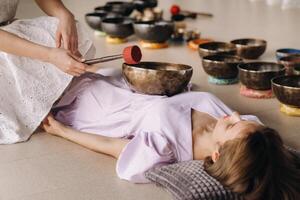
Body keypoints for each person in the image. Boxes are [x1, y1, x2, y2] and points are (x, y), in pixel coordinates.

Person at [42, 73, 300, 200]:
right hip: (132, 83)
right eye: (239, 120)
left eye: (233, 125)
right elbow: (265, 154)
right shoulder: (247, 133)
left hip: (96, 104)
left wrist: (63, 132)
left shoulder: (167, 146)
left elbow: (114, 146)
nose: (234, 114)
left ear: (217, 154)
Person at [0, 0, 94, 144]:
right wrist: (50, 55)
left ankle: (46, 98)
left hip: (7, 27)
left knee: (62, 29)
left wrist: (64, 15)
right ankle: (31, 105)